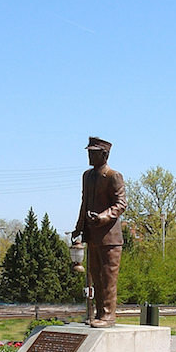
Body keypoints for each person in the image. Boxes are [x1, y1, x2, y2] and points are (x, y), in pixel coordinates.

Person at [71, 137, 126, 328]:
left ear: (104, 154)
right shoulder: (87, 176)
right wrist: (78, 227)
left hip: (110, 238)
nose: (89, 155)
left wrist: (102, 217)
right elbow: (84, 203)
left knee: (108, 277)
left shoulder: (113, 176)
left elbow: (120, 204)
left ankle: (108, 315)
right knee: (95, 276)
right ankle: (98, 313)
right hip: (91, 236)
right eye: (89, 152)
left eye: (93, 152)